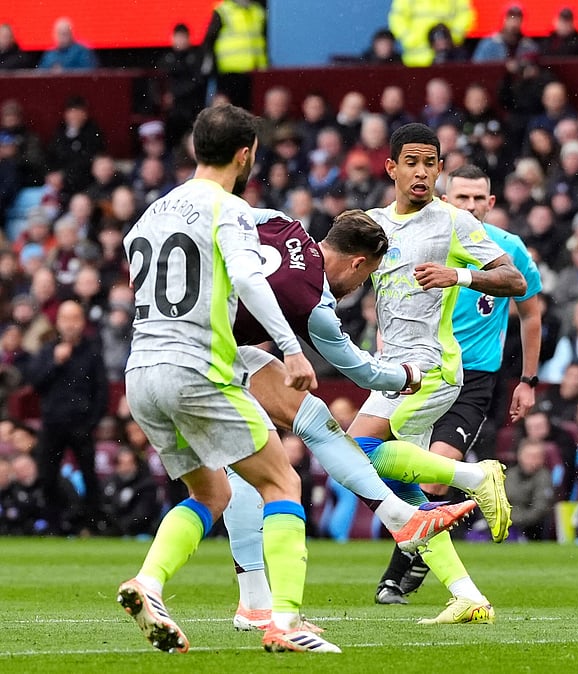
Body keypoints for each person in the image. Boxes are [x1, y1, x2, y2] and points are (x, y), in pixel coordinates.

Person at [117, 104, 336, 654]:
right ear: (247, 154)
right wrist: (291, 348)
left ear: (195, 149)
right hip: (196, 368)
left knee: (211, 491)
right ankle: (284, 623)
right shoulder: (230, 209)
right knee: (281, 482)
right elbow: (245, 275)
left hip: (141, 372)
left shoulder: (148, 215)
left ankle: (148, 582)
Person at [221, 208, 486, 630]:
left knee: (287, 437)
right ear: (358, 262)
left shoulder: (281, 223)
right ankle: (186, 591)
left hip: (196, 340)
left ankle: (254, 603)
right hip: (202, 356)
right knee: (266, 475)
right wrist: (405, 375)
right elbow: (358, 371)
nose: (358, 288)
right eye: (364, 279)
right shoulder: (313, 302)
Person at [348, 123, 527, 625]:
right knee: (402, 491)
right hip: (391, 369)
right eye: (411, 162)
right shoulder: (374, 224)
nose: (421, 171)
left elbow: (512, 279)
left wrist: (459, 274)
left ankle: (475, 475)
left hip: (431, 366)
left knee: (352, 451)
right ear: (391, 168)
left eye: (430, 163)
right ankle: (467, 593)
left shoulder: (453, 222)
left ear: (440, 170)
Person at [374, 163, 542, 604]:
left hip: (474, 378)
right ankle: (424, 559)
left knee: (434, 470)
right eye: (461, 197)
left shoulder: (508, 249)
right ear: (447, 200)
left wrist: (528, 378)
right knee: (387, 464)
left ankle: (398, 575)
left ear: (491, 203)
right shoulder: (427, 238)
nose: (470, 205)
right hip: (416, 371)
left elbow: (531, 312)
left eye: (477, 198)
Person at [25, 300, 108, 534]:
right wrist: (55, 363)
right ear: (58, 323)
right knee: (48, 477)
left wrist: (91, 422)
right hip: (53, 424)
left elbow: (101, 392)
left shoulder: (92, 352)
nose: (70, 325)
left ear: (82, 322)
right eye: (66, 319)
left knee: (90, 476)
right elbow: (35, 383)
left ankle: (92, 525)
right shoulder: (47, 350)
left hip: (82, 425)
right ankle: (56, 524)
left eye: (75, 319)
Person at [203, 0, 268, 108]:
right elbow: (209, 40)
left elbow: (264, 39)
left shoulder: (259, 11)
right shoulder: (223, 9)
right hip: (229, 72)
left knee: (250, 111)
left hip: (255, 72)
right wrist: (213, 68)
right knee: (228, 111)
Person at [388, 0, 475, 67]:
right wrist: (410, 39)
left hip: (447, 56)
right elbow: (397, 18)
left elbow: (465, 15)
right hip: (416, 59)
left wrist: (452, 38)